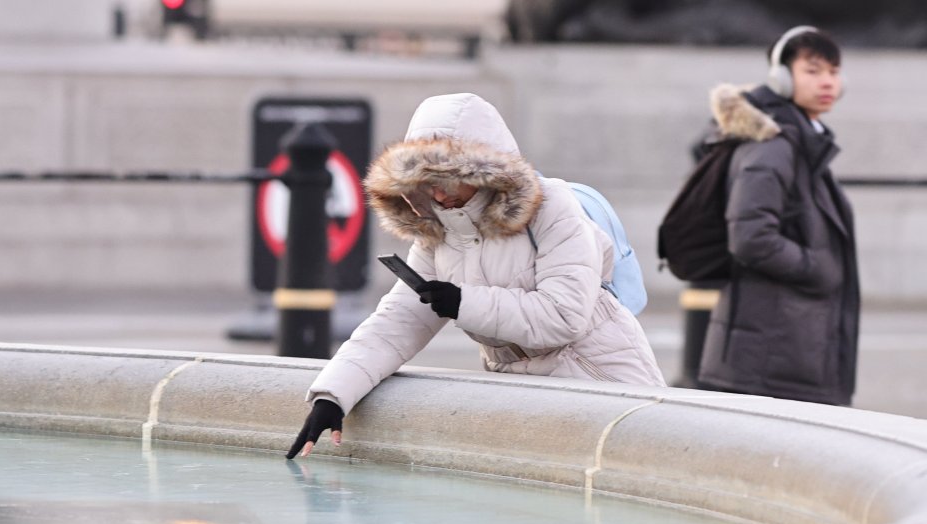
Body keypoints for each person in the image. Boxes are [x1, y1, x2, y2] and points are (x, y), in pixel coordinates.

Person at [287, 92, 666, 459]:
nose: (437, 194)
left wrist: (462, 302)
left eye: (448, 178)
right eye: (424, 181)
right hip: (523, 391)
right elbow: (397, 323)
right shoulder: (438, 231)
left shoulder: (552, 207)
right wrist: (333, 396)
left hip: (602, 379)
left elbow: (563, 318)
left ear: (486, 171)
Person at [697, 26, 859, 406]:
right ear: (781, 78)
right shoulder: (773, 146)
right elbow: (751, 236)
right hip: (770, 358)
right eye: (813, 70)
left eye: (834, 72)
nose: (827, 82)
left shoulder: (804, 141)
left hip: (786, 349)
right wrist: (816, 266)